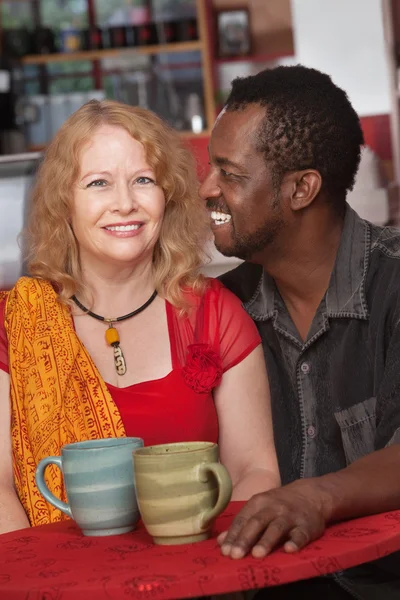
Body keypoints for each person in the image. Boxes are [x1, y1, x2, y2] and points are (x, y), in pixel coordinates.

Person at [0, 100, 280, 534]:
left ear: (167, 196)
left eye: (143, 180)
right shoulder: (14, 324)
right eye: (98, 183)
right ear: (63, 202)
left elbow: (254, 472)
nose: (125, 203)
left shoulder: (212, 314)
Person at [199, 65, 400, 599]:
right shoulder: (223, 306)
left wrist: (315, 497)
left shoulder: (394, 286)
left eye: (230, 174)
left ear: (301, 188)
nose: (207, 189)